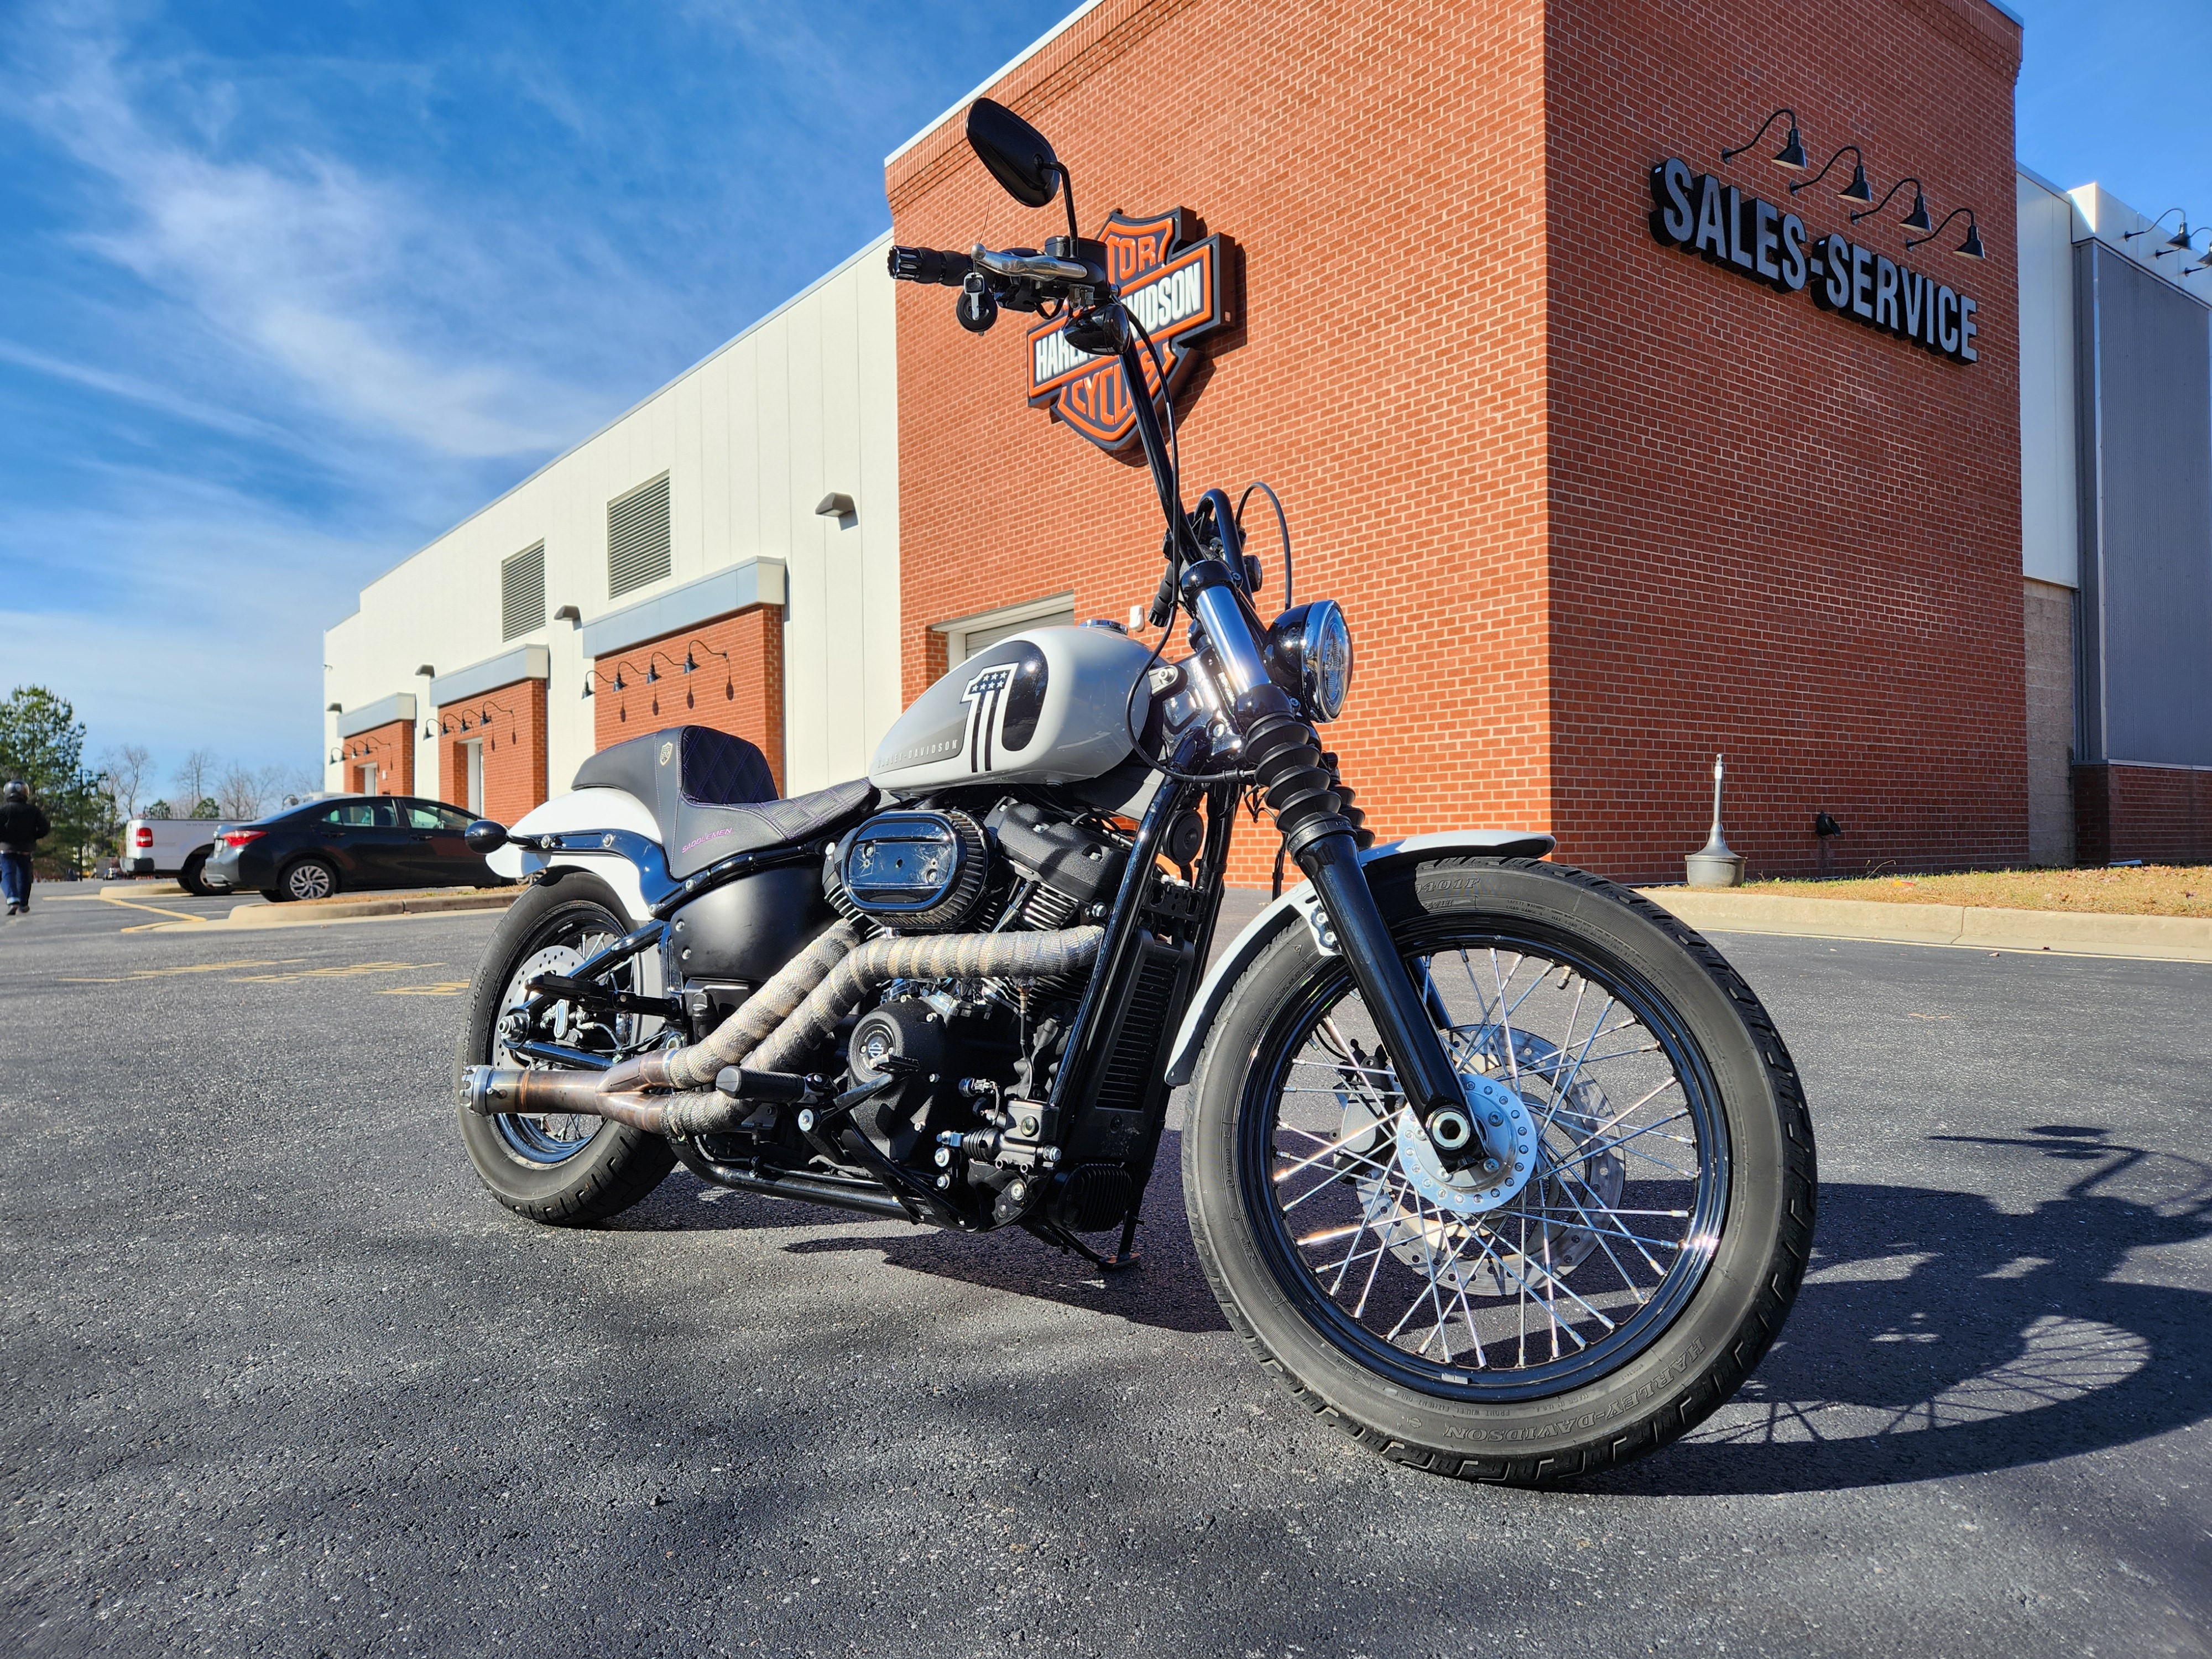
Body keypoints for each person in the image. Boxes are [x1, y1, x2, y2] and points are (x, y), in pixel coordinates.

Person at [1, 780, 50, 915]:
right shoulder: (33, 811)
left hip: (7, 848)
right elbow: (45, 828)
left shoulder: (4, 810)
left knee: (7, 873)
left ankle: (12, 899)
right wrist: (34, 836)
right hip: (26, 848)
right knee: (25, 875)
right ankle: (23, 903)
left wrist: (3, 837)